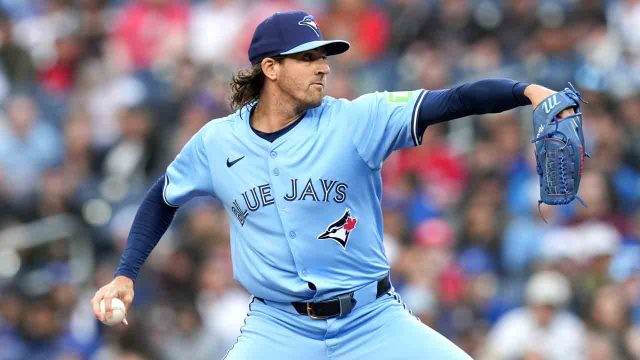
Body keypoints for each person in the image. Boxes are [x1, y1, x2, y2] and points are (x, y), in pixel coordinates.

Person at [91, 10, 576, 359]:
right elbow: (162, 196)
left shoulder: (356, 120)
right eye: (307, 58)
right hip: (278, 326)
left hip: (372, 319)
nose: (323, 65)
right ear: (270, 67)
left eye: (324, 55)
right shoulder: (217, 142)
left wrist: (528, 92)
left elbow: (451, 101)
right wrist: (126, 272)